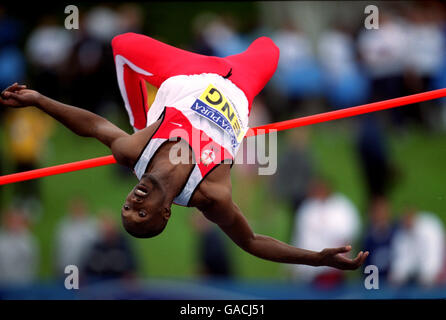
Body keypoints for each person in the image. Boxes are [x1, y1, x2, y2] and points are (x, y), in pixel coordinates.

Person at [0, 32, 368, 270]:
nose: (133, 202)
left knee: (122, 45)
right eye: (140, 213)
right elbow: (253, 242)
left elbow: (93, 125)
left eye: (127, 207)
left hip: (184, 73)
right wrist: (318, 259)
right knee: (270, 46)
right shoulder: (211, 196)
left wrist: (38, 99)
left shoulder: (134, 151)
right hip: (241, 84)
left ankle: (139, 117)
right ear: (164, 214)